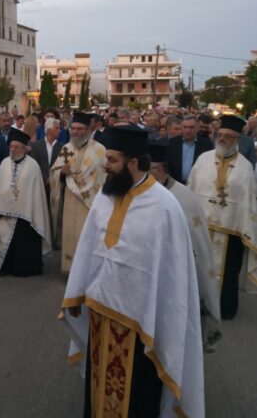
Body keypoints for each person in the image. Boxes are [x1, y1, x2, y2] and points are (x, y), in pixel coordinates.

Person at [61, 127, 204, 418]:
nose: (105, 165)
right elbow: (89, 249)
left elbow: (172, 275)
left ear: (134, 163)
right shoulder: (106, 194)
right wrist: (78, 291)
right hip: (100, 315)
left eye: (112, 160)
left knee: (136, 395)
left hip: (140, 325)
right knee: (99, 387)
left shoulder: (165, 207)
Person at [148, 140, 221, 350]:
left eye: (147, 171)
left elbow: (197, 246)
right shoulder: (141, 192)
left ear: (159, 170)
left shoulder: (184, 198)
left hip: (176, 273)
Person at [188, 114, 257, 320]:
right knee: (198, 266)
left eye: (228, 136)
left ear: (237, 139)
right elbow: (192, 188)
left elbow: (248, 200)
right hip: (202, 226)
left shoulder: (245, 167)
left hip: (231, 229)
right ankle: (198, 303)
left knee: (229, 271)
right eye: (220, 135)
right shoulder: (203, 159)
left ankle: (225, 308)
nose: (222, 139)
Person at [0, 129, 51, 276]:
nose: (13, 150)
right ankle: (4, 267)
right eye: (11, 147)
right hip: (4, 213)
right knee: (3, 239)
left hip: (25, 216)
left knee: (23, 242)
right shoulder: (4, 163)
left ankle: (24, 268)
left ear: (25, 149)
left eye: (17, 147)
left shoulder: (33, 166)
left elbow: (36, 193)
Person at [50, 112, 106, 272]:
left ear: (88, 129)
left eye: (80, 129)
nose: (75, 132)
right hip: (70, 199)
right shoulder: (67, 148)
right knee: (70, 233)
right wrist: (61, 173)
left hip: (89, 202)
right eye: (73, 128)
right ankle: (69, 268)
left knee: (85, 235)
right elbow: (54, 172)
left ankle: (85, 271)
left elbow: (102, 177)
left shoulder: (99, 150)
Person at [29, 118, 63, 227]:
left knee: (54, 215)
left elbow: (64, 165)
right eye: (57, 128)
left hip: (56, 188)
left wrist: (52, 179)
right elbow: (34, 164)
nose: (60, 130)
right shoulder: (35, 146)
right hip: (40, 186)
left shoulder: (63, 147)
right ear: (48, 130)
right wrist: (45, 179)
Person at [167, 114, 213, 184]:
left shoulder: (207, 145)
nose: (188, 130)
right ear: (181, 128)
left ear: (197, 128)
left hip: (196, 184)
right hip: (175, 184)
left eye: (191, 127)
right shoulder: (171, 143)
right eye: (185, 127)